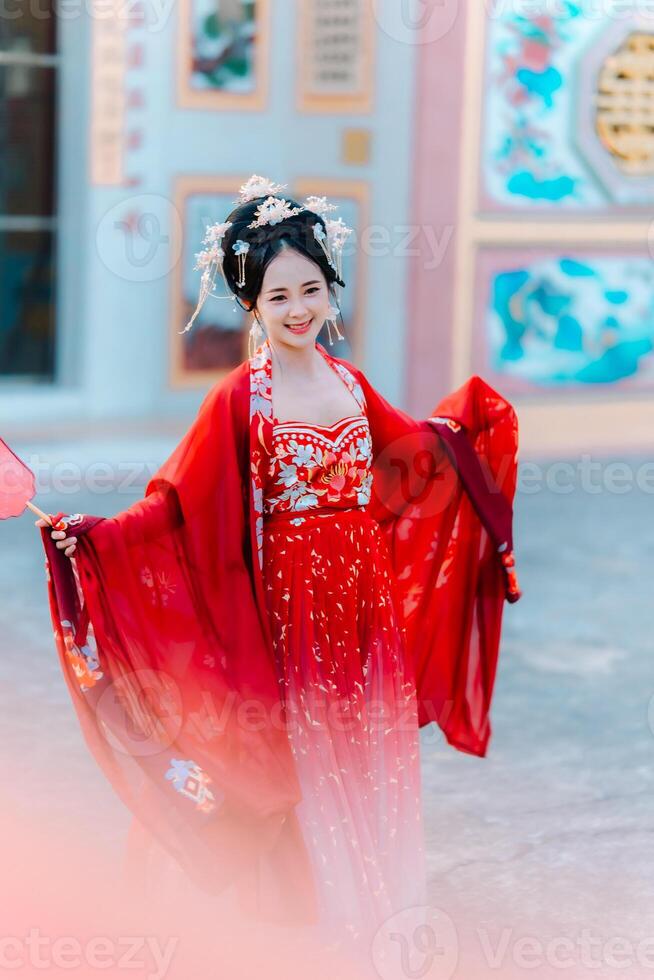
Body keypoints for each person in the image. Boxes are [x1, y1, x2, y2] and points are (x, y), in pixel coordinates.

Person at [36, 175, 521, 956]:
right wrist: (97, 535)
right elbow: (178, 500)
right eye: (276, 297)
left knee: (361, 740)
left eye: (310, 289)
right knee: (300, 745)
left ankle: (373, 897)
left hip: (361, 599)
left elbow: (412, 462)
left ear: (331, 289)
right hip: (287, 602)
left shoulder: (350, 385)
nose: (298, 310)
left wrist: (469, 437)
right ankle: (313, 913)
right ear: (251, 307)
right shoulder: (243, 398)